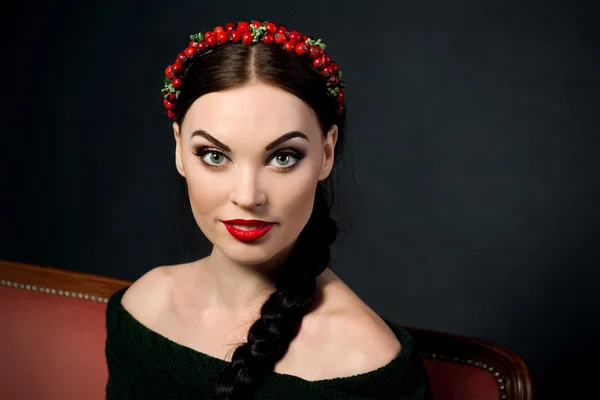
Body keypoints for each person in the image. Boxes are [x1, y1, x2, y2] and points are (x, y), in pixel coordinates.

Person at [105, 19, 432, 400]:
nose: (248, 196)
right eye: (214, 155)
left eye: (282, 157)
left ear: (326, 154)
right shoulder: (143, 308)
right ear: (179, 149)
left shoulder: (367, 361)